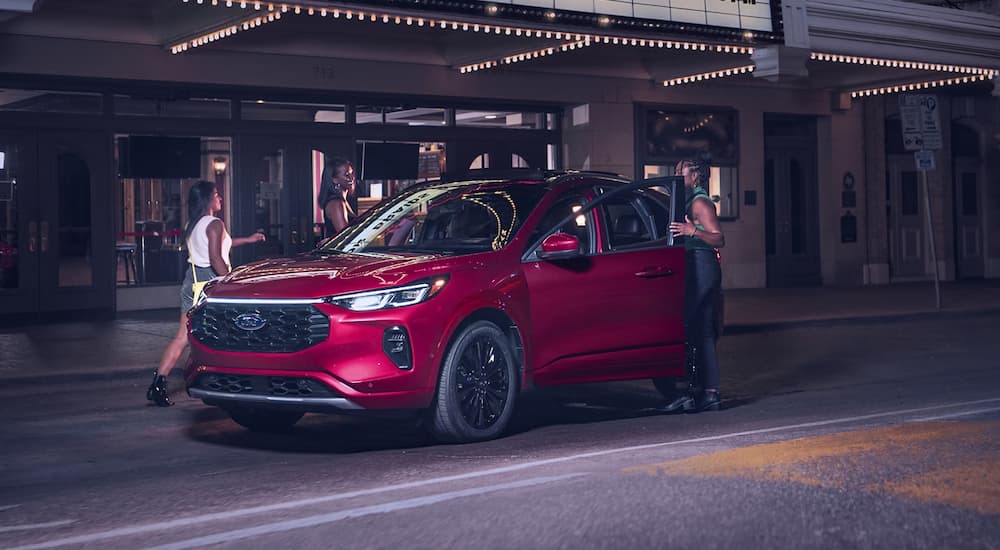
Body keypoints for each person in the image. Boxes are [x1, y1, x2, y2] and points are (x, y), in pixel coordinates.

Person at [145, 180, 265, 407]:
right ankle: (231, 384)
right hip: (210, 284)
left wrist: (248, 239)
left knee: (182, 337)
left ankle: (158, 384)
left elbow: (219, 246)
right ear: (208, 199)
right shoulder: (215, 223)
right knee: (231, 334)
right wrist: (232, 283)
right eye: (217, 194)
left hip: (191, 283)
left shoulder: (195, 223)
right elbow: (215, 257)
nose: (220, 198)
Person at [665, 159, 726, 413]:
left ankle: (691, 391)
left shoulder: (701, 203)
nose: (677, 175)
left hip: (702, 264)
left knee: (690, 325)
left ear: (696, 176)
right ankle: (708, 392)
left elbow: (719, 238)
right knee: (702, 330)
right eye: (676, 171)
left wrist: (693, 231)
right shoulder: (687, 201)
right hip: (694, 263)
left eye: (682, 172)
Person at [318, 157, 357, 236]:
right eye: (347, 175)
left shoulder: (342, 201)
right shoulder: (336, 203)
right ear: (334, 180)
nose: (351, 178)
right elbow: (345, 237)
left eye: (352, 173)